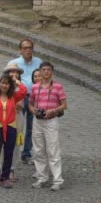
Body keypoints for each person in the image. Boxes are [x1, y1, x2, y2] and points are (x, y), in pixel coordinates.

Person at [28, 61, 67, 191]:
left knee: (53, 150)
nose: (46, 72)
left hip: (51, 120)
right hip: (38, 121)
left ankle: (57, 180)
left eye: (48, 70)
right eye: (43, 69)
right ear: (40, 71)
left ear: (52, 72)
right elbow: (31, 104)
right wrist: (34, 111)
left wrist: (53, 110)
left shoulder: (58, 87)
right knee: (38, 150)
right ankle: (42, 177)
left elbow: (64, 105)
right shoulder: (35, 87)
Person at [0, 74, 27, 189]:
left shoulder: (14, 96)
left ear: (10, 86)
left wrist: (16, 81)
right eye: (3, 83)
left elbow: (24, 91)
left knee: (8, 153)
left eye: (7, 83)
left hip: (11, 127)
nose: (4, 85)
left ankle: (5, 178)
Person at [8, 39, 43, 165]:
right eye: (25, 48)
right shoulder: (13, 63)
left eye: (30, 47)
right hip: (18, 98)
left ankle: (26, 153)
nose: (28, 50)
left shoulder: (39, 62)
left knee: (31, 127)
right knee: (16, 125)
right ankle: (12, 151)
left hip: (34, 97)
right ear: (20, 50)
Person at [3, 63, 26, 184]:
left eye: (16, 72)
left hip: (17, 118)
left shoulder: (19, 87)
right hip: (4, 118)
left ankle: (12, 169)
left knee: (16, 144)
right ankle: (1, 169)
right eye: (11, 71)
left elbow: (20, 105)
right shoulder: (3, 85)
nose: (14, 74)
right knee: (2, 143)